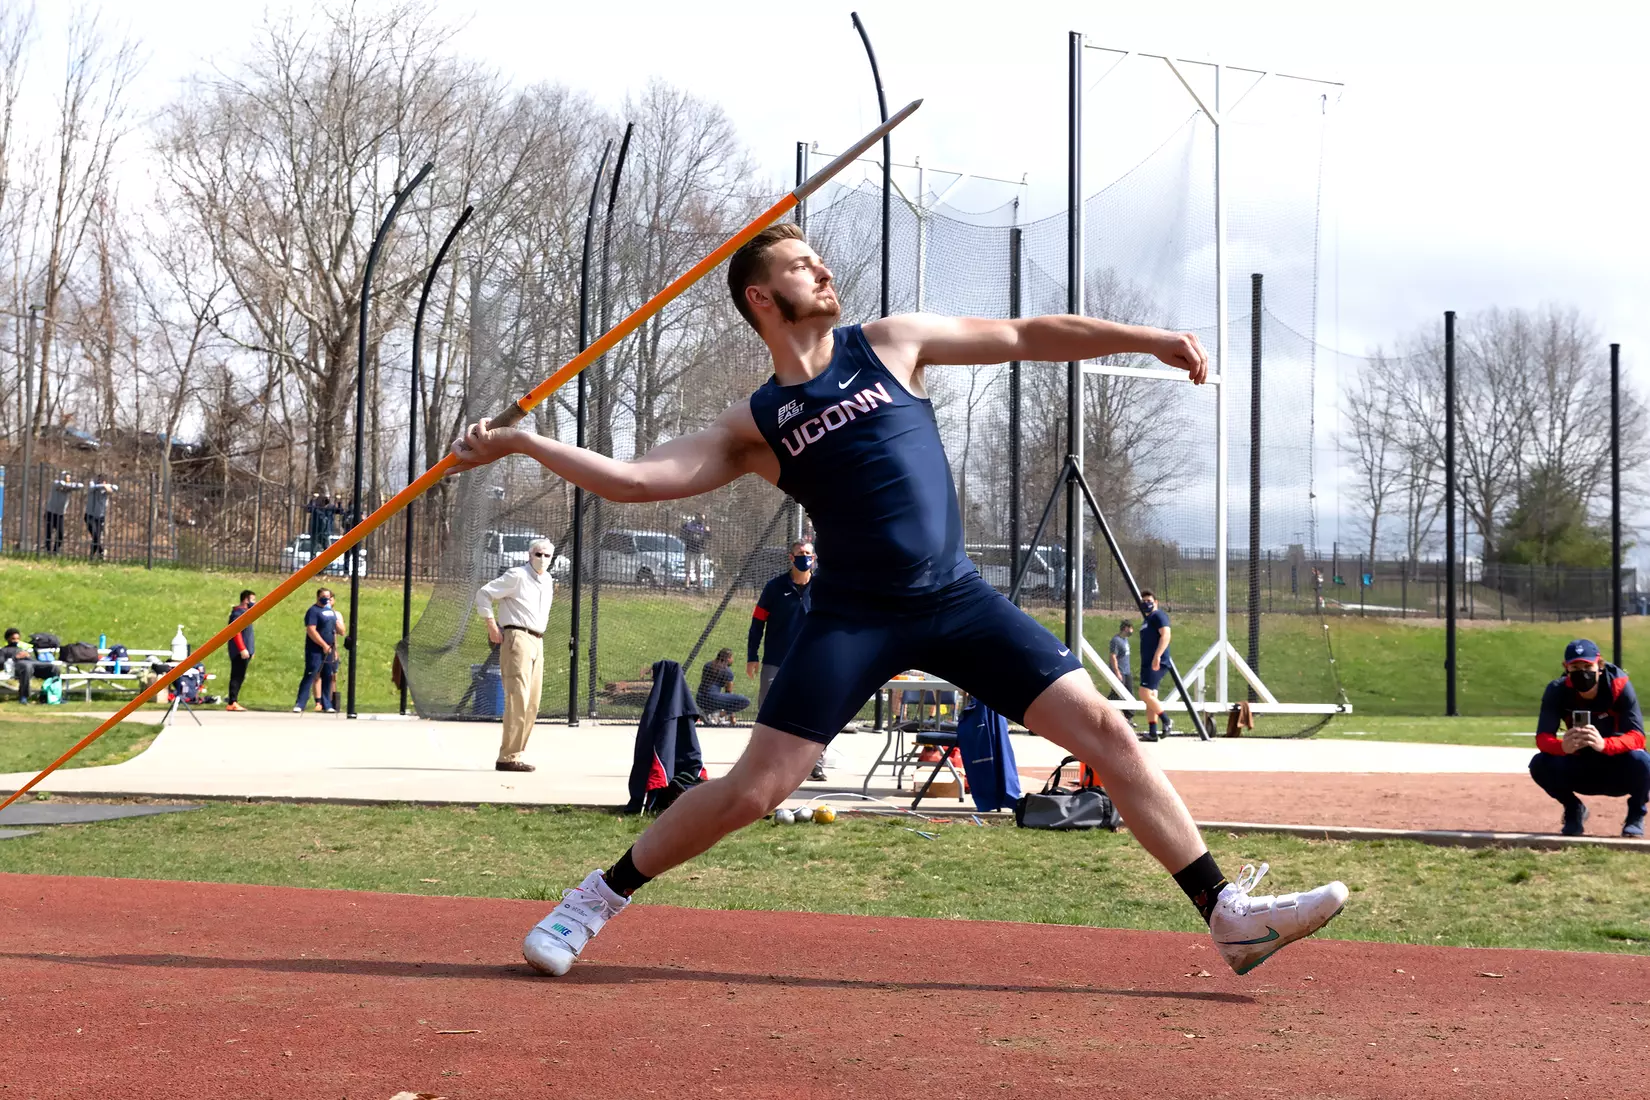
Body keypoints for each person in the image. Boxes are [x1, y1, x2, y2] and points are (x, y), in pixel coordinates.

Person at [448, 221, 1345, 979]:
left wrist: (1144, 339)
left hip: (955, 600)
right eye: (801, 265)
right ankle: (593, 900)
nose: (822, 270)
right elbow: (638, 483)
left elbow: (1031, 334)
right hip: (852, 618)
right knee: (756, 790)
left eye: (817, 260)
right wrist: (527, 442)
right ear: (762, 298)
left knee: (1107, 732)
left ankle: (1226, 913)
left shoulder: (890, 342)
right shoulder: (757, 423)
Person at [1530, 639, 1650, 837]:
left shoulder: (1619, 685)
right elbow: (1543, 738)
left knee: (1643, 761)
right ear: (1566, 668)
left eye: (1588, 666)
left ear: (1599, 665)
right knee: (1539, 764)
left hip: (1617, 766)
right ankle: (1573, 809)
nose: (1582, 672)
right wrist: (1563, 747)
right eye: (1575, 667)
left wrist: (1605, 744)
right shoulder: (1557, 690)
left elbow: (1637, 737)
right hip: (1579, 763)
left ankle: (1636, 814)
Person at [474, 537, 556, 772]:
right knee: (517, 696)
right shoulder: (516, 575)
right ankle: (507, 756)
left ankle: (516, 754)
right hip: (517, 637)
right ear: (530, 555)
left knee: (532, 701)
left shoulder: (548, 580)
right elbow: (484, 594)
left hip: (538, 640)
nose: (541, 559)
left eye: (546, 555)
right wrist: (491, 625)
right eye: (538, 554)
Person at [747, 539, 822, 778]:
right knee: (768, 712)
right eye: (800, 553)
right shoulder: (774, 587)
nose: (804, 557)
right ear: (791, 558)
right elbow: (757, 624)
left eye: (808, 553)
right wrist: (752, 656)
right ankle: (762, 763)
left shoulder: (823, 587)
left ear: (815, 558)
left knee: (814, 713)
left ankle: (815, 765)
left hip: (811, 662)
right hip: (775, 661)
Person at [293, 588, 341, 713]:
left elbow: (335, 630)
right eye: (323, 596)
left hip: (329, 650)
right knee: (311, 673)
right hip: (315, 649)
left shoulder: (330, 612)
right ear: (318, 597)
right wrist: (323, 644)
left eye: (328, 596)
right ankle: (300, 703)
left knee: (327, 675)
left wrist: (333, 648)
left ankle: (327, 703)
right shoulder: (313, 611)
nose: (326, 598)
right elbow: (311, 630)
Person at [1137, 591, 1173, 741]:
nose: (1146, 603)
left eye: (1149, 600)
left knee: (1144, 693)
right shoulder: (1147, 620)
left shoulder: (1158, 616)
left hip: (1157, 661)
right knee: (1151, 697)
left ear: (1156, 602)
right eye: (1143, 601)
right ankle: (1153, 732)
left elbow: (1166, 635)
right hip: (1147, 662)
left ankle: (1166, 720)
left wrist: (1158, 656)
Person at [696, 647, 750, 725]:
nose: (732, 660)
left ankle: (707, 712)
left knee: (718, 698)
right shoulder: (727, 671)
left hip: (700, 699)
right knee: (745, 701)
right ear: (728, 659)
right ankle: (718, 715)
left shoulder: (707, 665)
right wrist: (731, 715)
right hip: (713, 699)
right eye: (732, 658)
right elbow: (729, 692)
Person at [1, 628, 51, 705]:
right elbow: (1, 663)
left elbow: (34, 661)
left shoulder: (22, 649)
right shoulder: (4, 650)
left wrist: (28, 656)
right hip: (17, 668)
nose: (16, 641)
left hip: (31, 665)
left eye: (18, 638)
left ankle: (52, 695)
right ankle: (23, 696)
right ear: (8, 639)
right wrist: (15, 657)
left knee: (52, 667)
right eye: (13, 639)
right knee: (26, 667)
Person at [226, 590, 256, 712]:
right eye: (253, 600)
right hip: (239, 652)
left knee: (240, 676)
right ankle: (232, 701)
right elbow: (236, 632)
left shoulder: (246, 613)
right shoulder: (238, 614)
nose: (255, 603)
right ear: (246, 600)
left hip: (246, 651)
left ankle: (234, 700)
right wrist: (242, 649)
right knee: (237, 676)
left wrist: (251, 650)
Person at [44, 472, 82, 554]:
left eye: (68, 478)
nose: (67, 479)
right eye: (66, 478)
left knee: (60, 534)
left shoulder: (70, 486)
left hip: (60, 514)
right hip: (50, 512)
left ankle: (55, 551)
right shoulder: (56, 483)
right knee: (48, 533)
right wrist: (70, 485)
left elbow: (80, 486)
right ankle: (47, 551)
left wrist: (70, 485)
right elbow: (61, 484)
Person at [1108, 619, 1136, 728]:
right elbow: (1113, 656)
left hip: (1127, 671)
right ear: (1125, 628)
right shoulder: (1116, 640)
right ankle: (1106, 710)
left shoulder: (1125, 640)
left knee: (1129, 695)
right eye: (1130, 628)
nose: (1132, 630)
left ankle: (1128, 718)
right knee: (1116, 695)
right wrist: (1117, 672)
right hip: (1120, 672)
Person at [84, 476, 117, 559]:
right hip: (90, 516)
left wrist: (107, 487)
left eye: (103, 482)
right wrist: (102, 485)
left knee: (96, 538)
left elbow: (116, 487)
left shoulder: (105, 489)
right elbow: (91, 487)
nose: (102, 483)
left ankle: (91, 557)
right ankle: (101, 551)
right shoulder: (94, 486)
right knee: (95, 536)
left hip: (100, 517)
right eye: (100, 481)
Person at [680, 513, 711, 587]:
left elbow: (709, 537)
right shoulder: (688, 525)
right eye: (701, 518)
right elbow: (682, 535)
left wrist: (708, 531)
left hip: (700, 551)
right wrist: (689, 539)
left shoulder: (704, 527)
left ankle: (699, 586)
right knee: (688, 569)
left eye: (703, 519)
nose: (702, 520)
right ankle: (687, 585)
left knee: (699, 569)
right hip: (690, 549)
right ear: (696, 517)